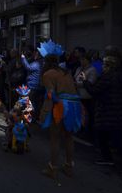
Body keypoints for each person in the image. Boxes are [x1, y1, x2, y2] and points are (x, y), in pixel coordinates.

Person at [81, 55, 122, 177]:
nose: (102, 66)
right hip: (116, 111)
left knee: (117, 141)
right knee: (104, 135)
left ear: (108, 66)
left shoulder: (107, 77)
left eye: (104, 64)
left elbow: (94, 90)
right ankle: (107, 158)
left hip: (109, 111)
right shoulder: (120, 76)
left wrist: (85, 80)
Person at [38, 40, 82, 182]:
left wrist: (48, 110)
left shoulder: (47, 74)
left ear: (45, 60)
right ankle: (69, 167)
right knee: (69, 137)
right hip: (74, 105)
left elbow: (51, 94)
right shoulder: (66, 72)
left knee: (55, 138)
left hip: (61, 106)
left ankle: (53, 169)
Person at [74, 49, 97, 140]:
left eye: (83, 60)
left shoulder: (92, 70)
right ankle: (81, 130)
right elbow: (75, 78)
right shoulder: (79, 69)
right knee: (81, 114)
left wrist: (78, 84)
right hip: (78, 95)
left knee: (88, 115)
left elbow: (91, 82)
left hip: (87, 96)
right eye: (81, 60)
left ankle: (88, 133)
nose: (81, 61)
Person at [21, 47, 44, 120]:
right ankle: (34, 118)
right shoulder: (40, 62)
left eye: (36, 53)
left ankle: (30, 119)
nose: (34, 54)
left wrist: (23, 58)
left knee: (30, 102)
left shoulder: (37, 63)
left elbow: (28, 67)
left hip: (33, 85)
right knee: (35, 103)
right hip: (37, 85)